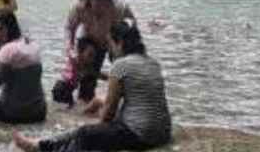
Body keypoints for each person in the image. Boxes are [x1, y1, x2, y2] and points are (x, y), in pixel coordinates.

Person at [13, 22, 172, 152]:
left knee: (85, 133)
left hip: (141, 135)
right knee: (89, 131)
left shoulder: (121, 65)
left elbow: (108, 114)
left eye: (110, 44)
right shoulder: (153, 63)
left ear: (120, 43)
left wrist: (95, 130)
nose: (109, 49)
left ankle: (43, 146)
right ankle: (43, 144)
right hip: (163, 133)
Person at [64, 0, 135, 97]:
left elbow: (133, 26)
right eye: (96, 5)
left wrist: (123, 48)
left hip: (113, 38)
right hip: (90, 38)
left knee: (122, 71)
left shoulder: (120, 7)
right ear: (89, 0)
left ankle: (120, 94)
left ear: (110, 1)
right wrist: (70, 50)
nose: (100, 10)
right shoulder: (79, 7)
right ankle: (85, 99)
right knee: (87, 85)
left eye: (104, 5)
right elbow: (69, 28)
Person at [51, 36, 105, 115]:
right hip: (61, 88)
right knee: (66, 111)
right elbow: (71, 54)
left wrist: (109, 77)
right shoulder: (76, 61)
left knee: (68, 110)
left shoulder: (84, 66)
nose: (92, 59)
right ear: (80, 52)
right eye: (90, 55)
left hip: (67, 90)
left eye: (93, 56)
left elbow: (96, 74)